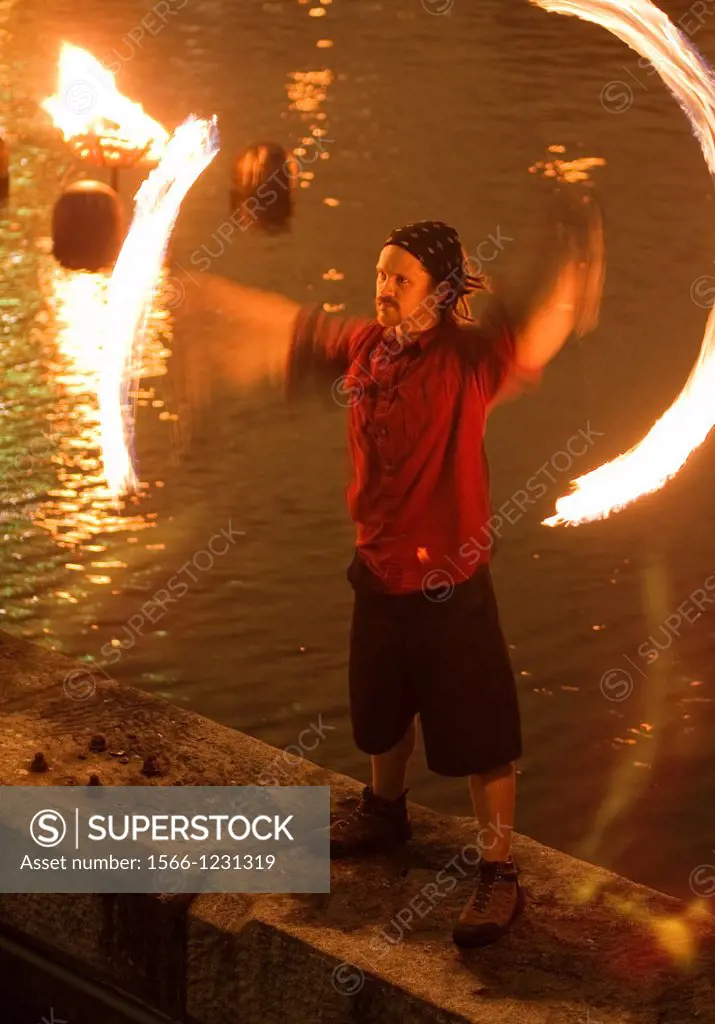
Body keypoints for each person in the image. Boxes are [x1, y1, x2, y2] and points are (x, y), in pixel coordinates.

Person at [174, 191, 605, 949]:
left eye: (399, 279)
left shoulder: (469, 362)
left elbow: (538, 329)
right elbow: (288, 329)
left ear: (440, 293)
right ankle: (385, 811)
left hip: (451, 582)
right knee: (380, 707)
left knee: (480, 735)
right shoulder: (366, 347)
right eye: (379, 273)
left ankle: (499, 871)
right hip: (377, 570)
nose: (382, 288)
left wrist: (575, 259)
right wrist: (202, 303)